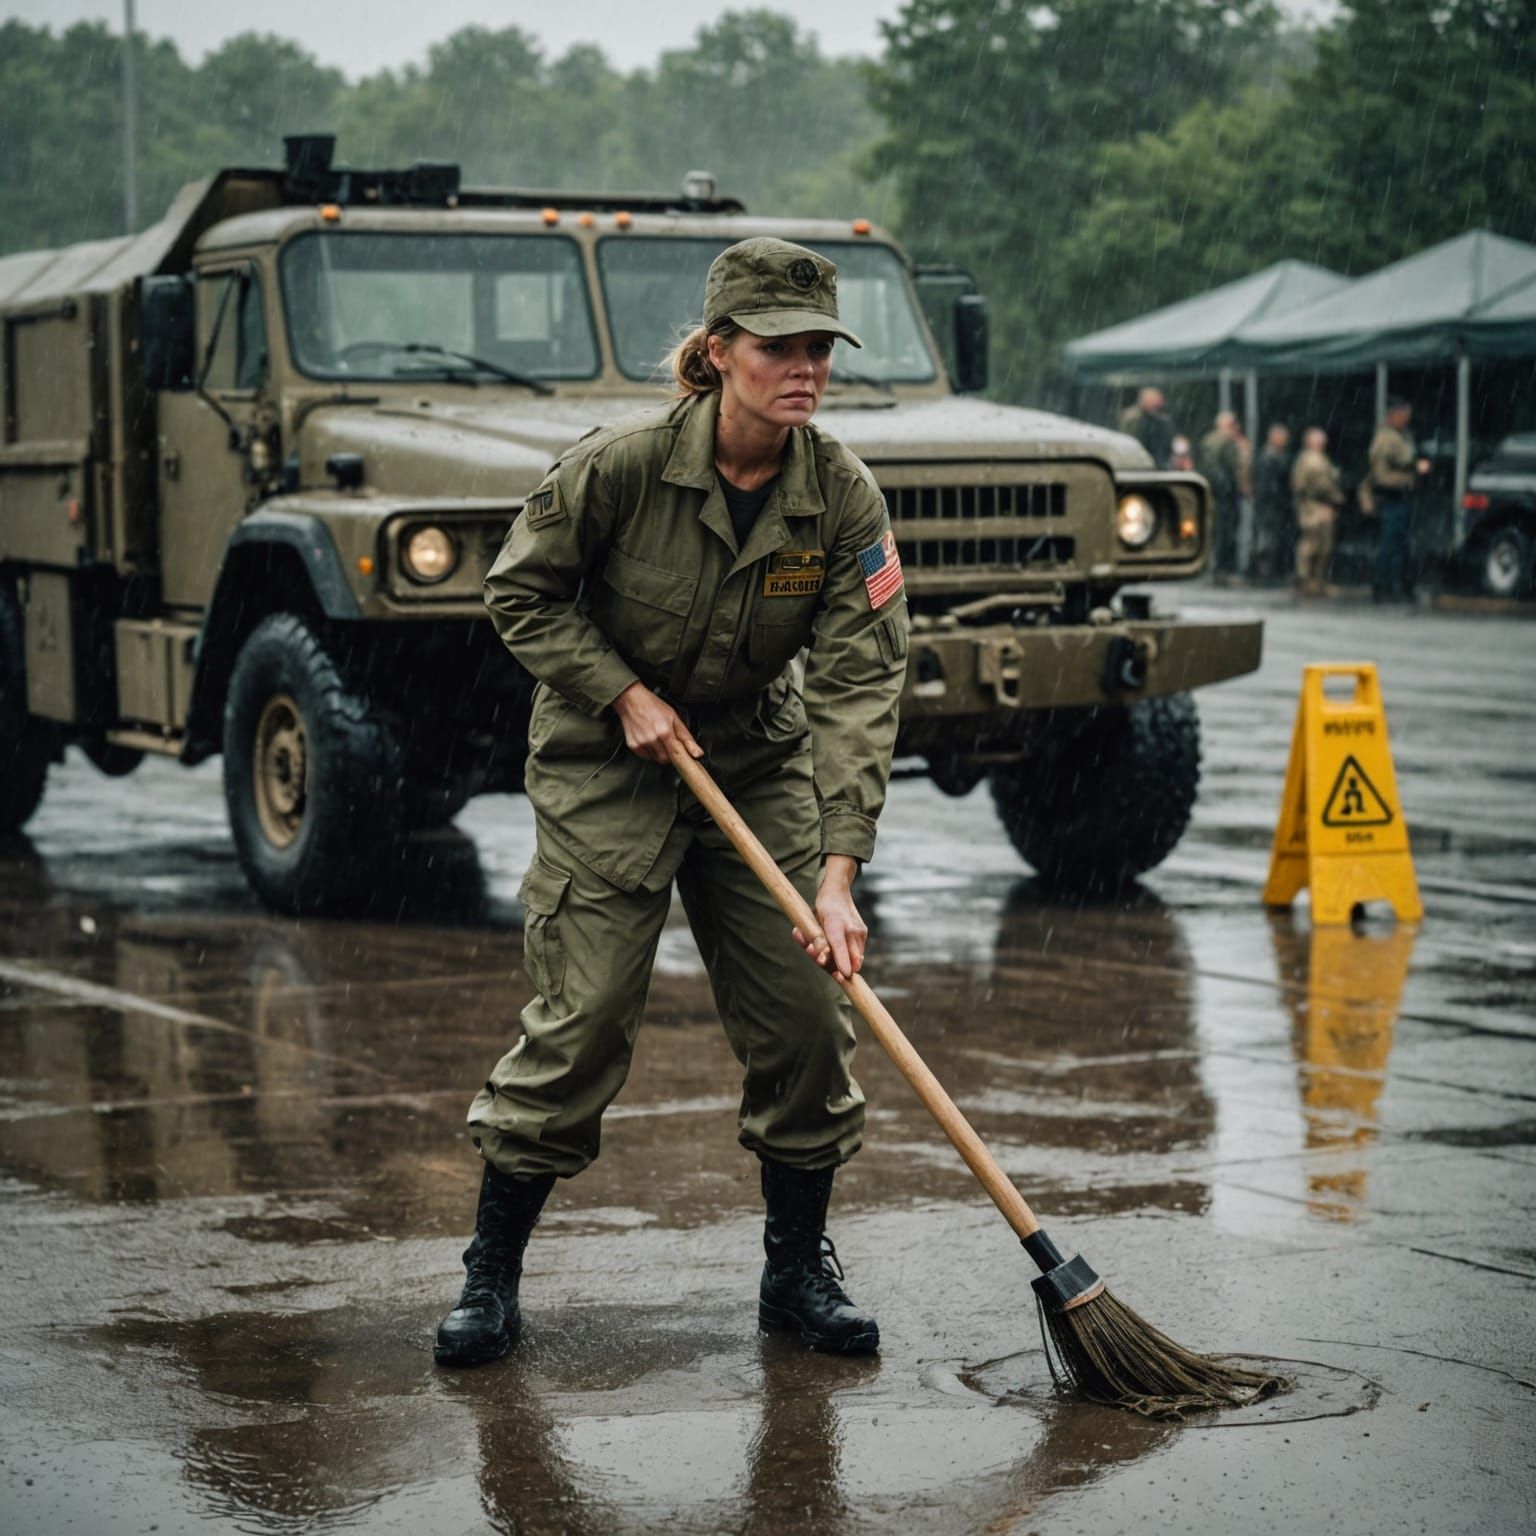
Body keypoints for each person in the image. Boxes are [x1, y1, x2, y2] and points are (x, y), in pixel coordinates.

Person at [436, 238, 909, 1371]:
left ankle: (796, 1274)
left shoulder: (839, 495)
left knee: (808, 1012)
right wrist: (623, 691)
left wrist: (839, 873)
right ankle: (490, 1280)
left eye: (819, 350)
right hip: (610, 761)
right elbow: (520, 593)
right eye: (778, 347)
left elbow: (860, 678)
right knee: (587, 1017)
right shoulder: (622, 467)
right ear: (717, 353)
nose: (804, 369)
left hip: (753, 759)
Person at [1367, 396, 1430, 602]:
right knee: (1390, 545)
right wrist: (1413, 467)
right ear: (1393, 415)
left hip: (1401, 496)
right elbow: (1386, 469)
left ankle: (1395, 586)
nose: (1406, 419)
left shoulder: (1400, 436)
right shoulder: (1387, 438)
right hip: (1393, 496)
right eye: (1403, 415)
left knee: (1399, 545)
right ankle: (1383, 586)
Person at [1291, 427, 1345, 595]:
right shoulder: (1313, 460)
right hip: (1316, 507)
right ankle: (1309, 580)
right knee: (1316, 544)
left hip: (1314, 506)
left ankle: (1313, 580)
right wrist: (1336, 498)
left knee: (1319, 544)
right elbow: (1321, 485)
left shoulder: (1309, 458)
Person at [1198, 411, 1245, 576]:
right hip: (1222, 496)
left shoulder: (1216, 442)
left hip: (1224, 495)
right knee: (1224, 532)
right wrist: (1226, 488)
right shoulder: (1219, 443)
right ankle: (1222, 569)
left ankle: (1222, 568)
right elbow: (1217, 470)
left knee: (1225, 531)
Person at [1250, 423, 1293, 583]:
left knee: (1273, 539)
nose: (1285, 441)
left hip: (1275, 505)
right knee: (1267, 540)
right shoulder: (1267, 458)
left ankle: (1270, 572)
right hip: (1269, 506)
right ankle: (1265, 574)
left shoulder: (1278, 456)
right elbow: (1266, 485)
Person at [1119, 386, 1176, 469]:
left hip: (1159, 464)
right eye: (1148, 399)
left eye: (1153, 400)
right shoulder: (1132, 419)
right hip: (1136, 463)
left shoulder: (1164, 421)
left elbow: (1168, 445)